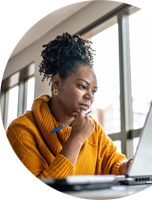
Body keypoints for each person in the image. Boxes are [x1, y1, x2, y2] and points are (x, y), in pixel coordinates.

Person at [6, 32, 132, 179]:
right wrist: (77, 139)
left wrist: (126, 166)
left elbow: (112, 162)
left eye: (93, 91)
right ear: (57, 83)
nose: (90, 96)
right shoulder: (21, 131)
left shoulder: (94, 129)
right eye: (82, 86)